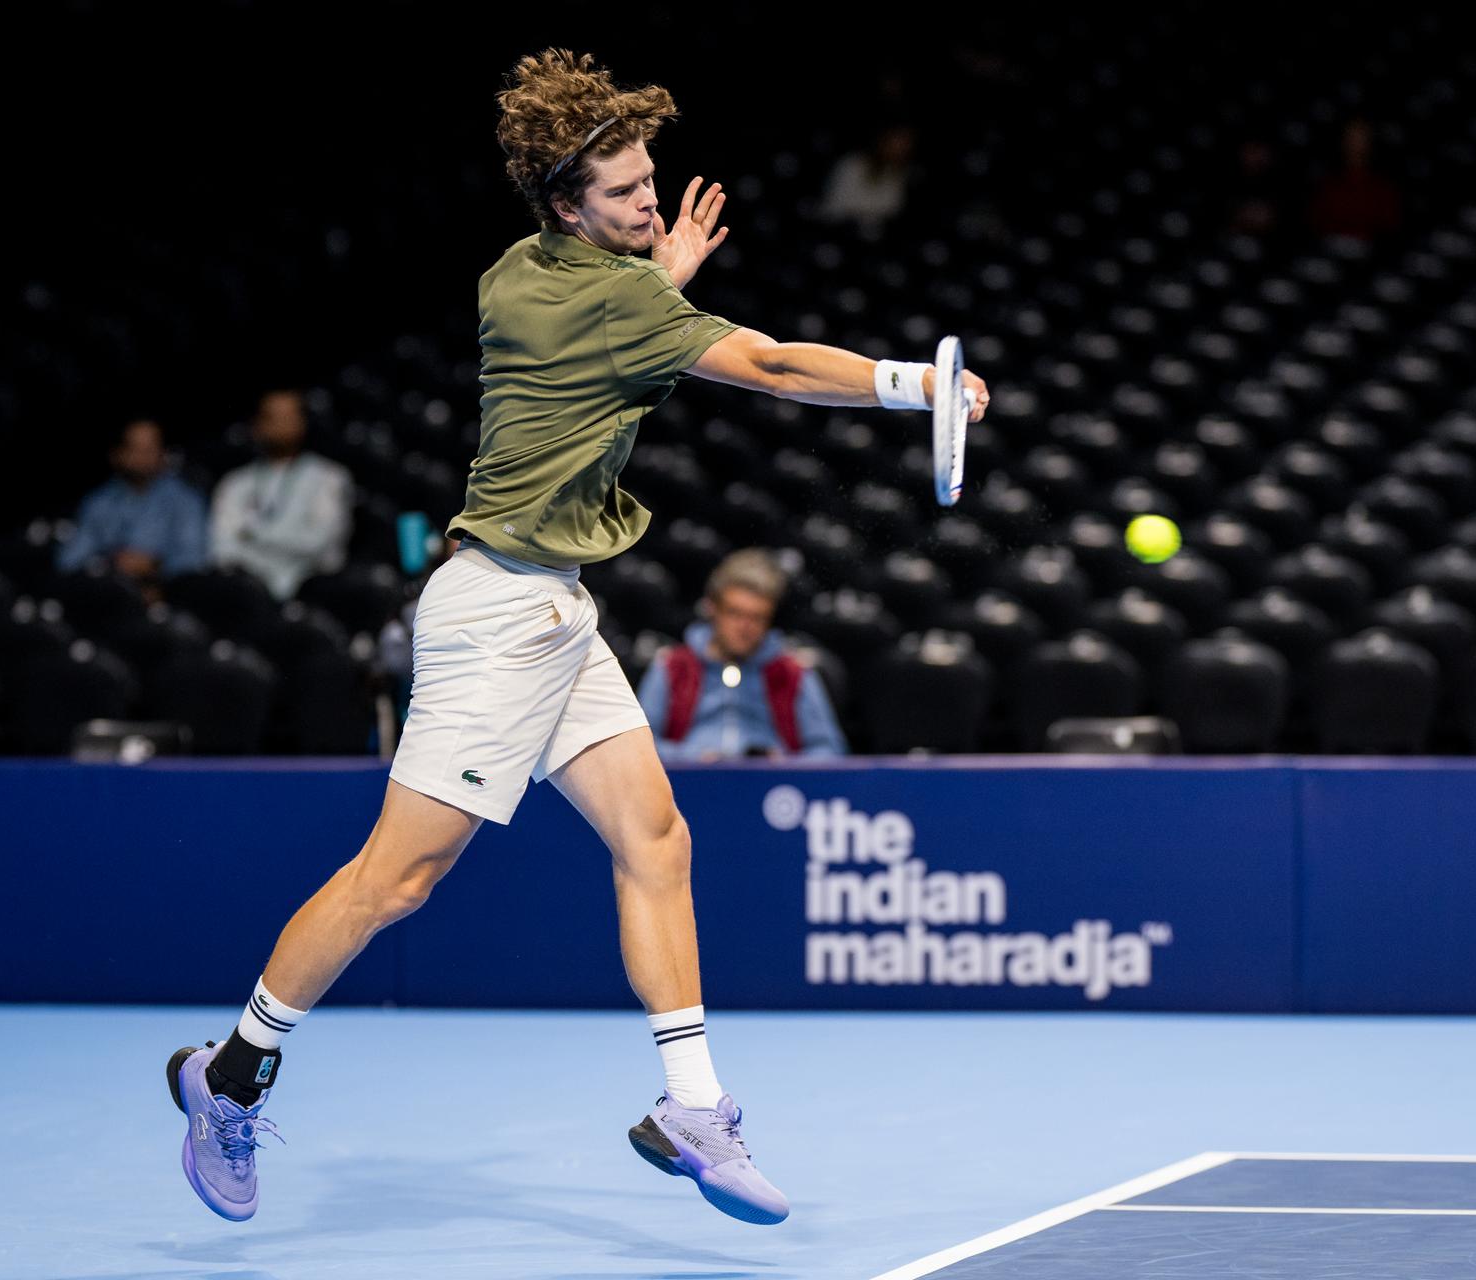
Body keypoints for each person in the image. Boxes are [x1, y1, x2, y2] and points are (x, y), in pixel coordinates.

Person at [165, 47, 987, 1228]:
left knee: (657, 834)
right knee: (396, 879)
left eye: (650, 179)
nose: (650, 203)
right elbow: (765, 363)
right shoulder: (620, 298)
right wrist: (921, 384)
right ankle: (228, 1076)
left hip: (553, 608)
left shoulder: (519, 272)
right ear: (565, 204)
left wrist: (659, 280)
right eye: (622, 194)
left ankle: (691, 1107)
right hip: (496, 618)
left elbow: (629, 322)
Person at [638, 549, 847, 760]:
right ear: (712, 609)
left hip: (771, 788)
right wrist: (693, 758)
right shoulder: (672, 666)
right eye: (735, 613)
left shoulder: (793, 673)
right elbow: (639, 746)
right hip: (688, 787)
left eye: (757, 617)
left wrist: (782, 763)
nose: (745, 627)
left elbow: (829, 751)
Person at [208, 389, 354, 600]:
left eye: (289, 417)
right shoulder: (234, 484)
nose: (281, 425)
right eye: (272, 418)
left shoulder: (330, 477)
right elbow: (223, 551)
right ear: (257, 426)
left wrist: (253, 534)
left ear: (303, 423)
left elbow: (317, 543)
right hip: (247, 592)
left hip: (314, 589)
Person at [56, 418, 207, 585]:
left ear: (163, 452)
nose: (143, 457)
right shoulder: (99, 502)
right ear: (118, 454)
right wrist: (110, 562)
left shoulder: (185, 500)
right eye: (136, 449)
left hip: (167, 592)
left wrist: (154, 565)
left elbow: (194, 560)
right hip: (108, 591)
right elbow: (69, 561)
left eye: (150, 449)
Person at [1309, 117, 1403, 243]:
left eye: (1362, 139)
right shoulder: (1327, 182)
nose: (1356, 145)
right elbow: (1317, 220)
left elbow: (1389, 224)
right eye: (1352, 138)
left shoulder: (1383, 185)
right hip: (1331, 247)